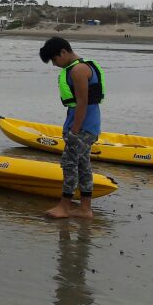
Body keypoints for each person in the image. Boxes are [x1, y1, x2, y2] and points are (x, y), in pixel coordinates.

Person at [39, 37, 105, 219]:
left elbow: (83, 102)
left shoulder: (78, 70)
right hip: (88, 126)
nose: (54, 64)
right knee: (83, 165)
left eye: (54, 60)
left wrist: (74, 131)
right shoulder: (80, 67)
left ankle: (64, 207)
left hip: (83, 128)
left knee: (69, 164)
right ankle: (85, 209)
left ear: (63, 52)